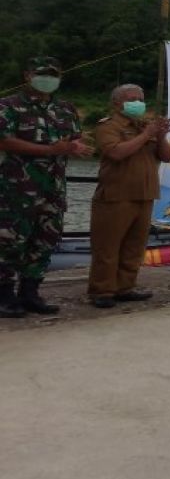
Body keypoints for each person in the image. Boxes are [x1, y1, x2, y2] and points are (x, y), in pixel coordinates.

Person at [0, 56, 93, 317]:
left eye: (54, 74)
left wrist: (75, 147)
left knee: (45, 239)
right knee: (10, 240)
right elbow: (4, 141)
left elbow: (71, 140)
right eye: (43, 73)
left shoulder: (66, 109)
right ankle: (4, 295)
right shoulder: (8, 106)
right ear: (28, 75)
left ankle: (30, 293)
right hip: (16, 188)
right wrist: (50, 150)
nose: (48, 79)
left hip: (53, 187)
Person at [88, 84, 170, 308]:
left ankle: (125, 287)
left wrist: (161, 136)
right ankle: (102, 291)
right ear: (117, 103)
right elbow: (116, 153)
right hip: (116, 195)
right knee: (107, 246)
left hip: (145, 195)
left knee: (134, 247)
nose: (138, 102)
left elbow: (167, 157)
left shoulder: (146, 126)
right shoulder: (109, 126)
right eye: (131, 99)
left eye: (140, 98)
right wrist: (146, 135)